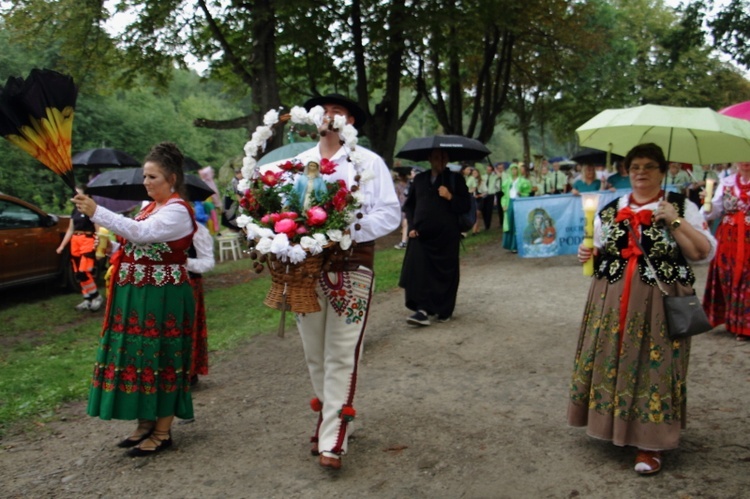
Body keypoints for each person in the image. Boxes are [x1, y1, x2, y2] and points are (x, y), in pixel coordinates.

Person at [570, 143, 715, 475]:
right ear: (626, 171)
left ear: (663, 171)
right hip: (611, 299)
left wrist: (675, 222)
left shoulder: (679, 206)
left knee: (656, 365)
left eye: (649, 166)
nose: (641, 172)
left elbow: (702, 252)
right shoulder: (612, 207)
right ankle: (612, 428)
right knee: (613, 358)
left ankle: (651, 444)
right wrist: (586, 252)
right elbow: (602, 249)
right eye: (634, 166)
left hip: (659, 303)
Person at [294, 94, 401, 470]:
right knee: (314, 352)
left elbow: (389, 213)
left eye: (338, 112)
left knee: (341, 351)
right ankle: (329, 420)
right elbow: (281, 213)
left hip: (351, 266)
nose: (330, 117)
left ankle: (333, 437)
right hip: (305, 270)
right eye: (324, 112)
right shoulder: (297, 164)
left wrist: (346, 230)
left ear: (350, 122)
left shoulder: (368, 162)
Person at [73, 142, 198, 457]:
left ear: (171, 178)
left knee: (164, 357)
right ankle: (144, 423)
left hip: (163, 296)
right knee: (140, 359)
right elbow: (132, 235)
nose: (146, 182)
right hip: (136, 294)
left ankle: (162, 430)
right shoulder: (149, 206)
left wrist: (98, 212)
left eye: (152, 177)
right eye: (145, 176)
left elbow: (141, 234)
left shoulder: (178, 210)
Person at [399, 148, 471, 327]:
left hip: (447, 236)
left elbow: (465, 205)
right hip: (422, 235)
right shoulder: (420, 179)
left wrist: (450, 196)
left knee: (446, 273)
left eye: (444, 157)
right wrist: (412, 226)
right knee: (419, 272)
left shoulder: (455, 179)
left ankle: (444, 309)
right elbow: (409, 207)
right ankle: (422, 310)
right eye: (437, 157)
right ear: (429, 158)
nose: (440, 160)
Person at [702, 161, 750, 341]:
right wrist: (706, 200)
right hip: (728, 240)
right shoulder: (727, 182)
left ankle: (745, 326)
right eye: (743, 159)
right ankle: (733, 322)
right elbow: (712, 212)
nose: (746, 163)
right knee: (728, 277)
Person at [57, 186, 104, 312]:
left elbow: (98, 229)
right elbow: (71, 229)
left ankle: (96, 297)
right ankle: (87, 298)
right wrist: (62, 246)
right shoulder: (75, 211)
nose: (75, 196)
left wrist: (100, 246)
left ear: (87, 195)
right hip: (76, 241)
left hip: (88, 240)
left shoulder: (91, 210)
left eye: (78, 193)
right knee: (78, 273)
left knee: (84, 271)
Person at [187, 222, 215, 384]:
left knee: (188, 327)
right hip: (159, 287)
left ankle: (189, 372)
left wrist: (185, 262)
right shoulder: (154, 227)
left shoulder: (197, 230)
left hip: (188, 284)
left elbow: (207, 263)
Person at [501, 163, 532, 252]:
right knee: (510, 223)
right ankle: (511, 245)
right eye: (512, 169)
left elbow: (527, 192)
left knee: (518, 223)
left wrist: (521, 194)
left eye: (515, 169)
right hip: (510, 203)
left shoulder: (522, 181)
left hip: (519, 202)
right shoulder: (507, 182)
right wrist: (504, 205)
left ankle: (519, 245)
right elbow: (504, 195)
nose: (514, 171)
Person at [393, 167, 414, 249]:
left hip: (408, 205)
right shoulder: (398, 186)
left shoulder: (410, 184)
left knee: (405, 223)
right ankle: (405, 240)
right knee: (405, 224)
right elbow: (396, 197)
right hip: (403, 206)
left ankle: (404, 241)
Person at [480, 163, 501, 230]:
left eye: (489, 170)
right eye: (487, 169)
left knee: (489, 210)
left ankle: (487, 225)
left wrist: (495, 170)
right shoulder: (484, 176)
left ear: (492, 170)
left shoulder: (494, 176)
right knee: (483, 210)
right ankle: (485, 222)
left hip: (491, 195)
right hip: (484, 194)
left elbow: (500, 175)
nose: (488, 171)